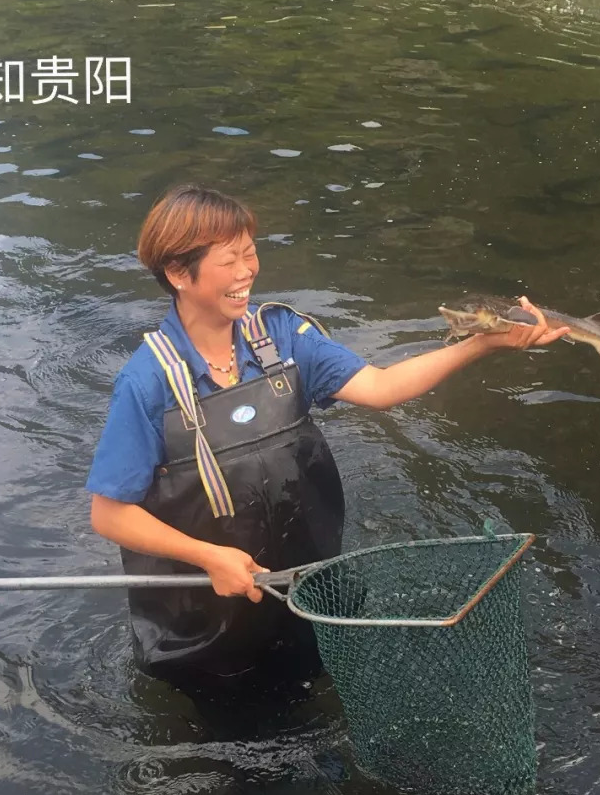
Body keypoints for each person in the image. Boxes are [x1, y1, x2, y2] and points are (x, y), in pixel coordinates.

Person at [85, 184, 569, 694]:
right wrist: (210, 557)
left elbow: (381, 388)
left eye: (250, 253)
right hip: (207, 616)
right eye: (230, 261)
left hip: (307, 585)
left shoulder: (284, 336)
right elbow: (109, 513)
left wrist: (482, 343)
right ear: (180, 274)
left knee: (319, 692)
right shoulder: (147, 382)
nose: (247, 271)